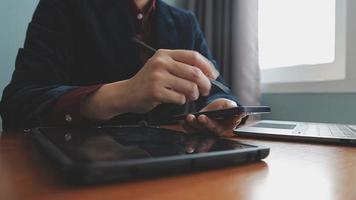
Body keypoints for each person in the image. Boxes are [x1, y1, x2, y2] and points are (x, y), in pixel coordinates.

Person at [0, 0, 245, 136]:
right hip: (83, 173)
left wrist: (224, 107)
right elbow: (17, 105)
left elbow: (219, 89)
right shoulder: (63, 6)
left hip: (174, 170)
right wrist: (119, 95)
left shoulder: (186, 22)